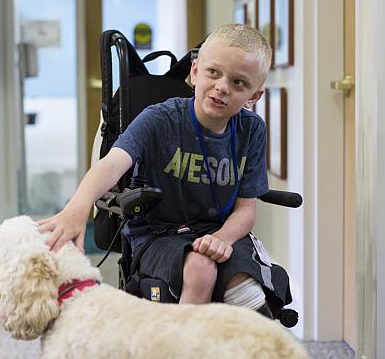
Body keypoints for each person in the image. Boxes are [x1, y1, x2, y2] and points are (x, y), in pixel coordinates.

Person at [37, 23, 291, 317]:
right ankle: (181, 345)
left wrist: (222, 237)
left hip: (219, 231)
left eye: (238, 83)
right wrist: (76, 209)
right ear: (195, 72)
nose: (222, 86)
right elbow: (112, 163)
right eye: (213, 73)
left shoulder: (252, 130)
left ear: (253, 96)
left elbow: (246, 210)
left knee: (245, 286)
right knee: (200, 269)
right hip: (157, 233)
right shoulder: (159, 119)